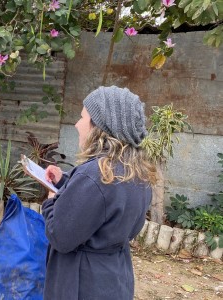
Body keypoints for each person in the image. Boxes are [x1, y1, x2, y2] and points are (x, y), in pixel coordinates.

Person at [41, 86, 158, 299]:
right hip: (114, 277)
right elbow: (105, 202)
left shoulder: (94, 175)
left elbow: (60, 236)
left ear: (100, 127)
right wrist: (65, 181)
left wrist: (51, 200)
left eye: (82, 117)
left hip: (81, 282)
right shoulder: (137, 173)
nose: (77, 125)